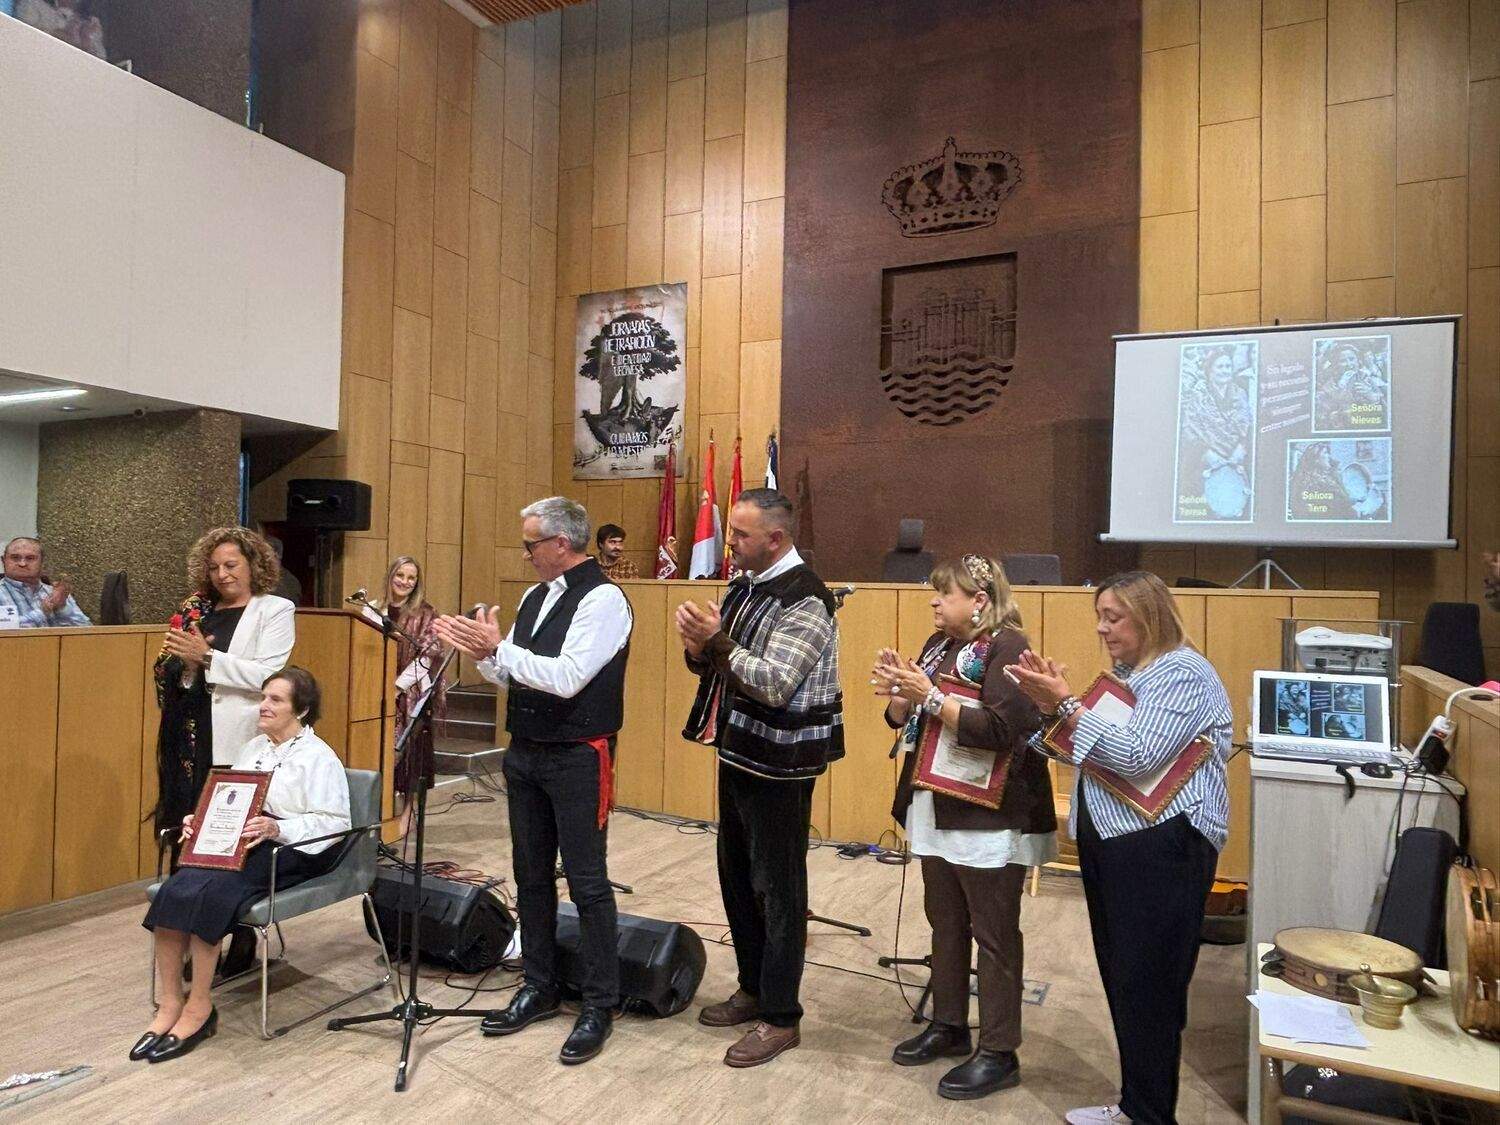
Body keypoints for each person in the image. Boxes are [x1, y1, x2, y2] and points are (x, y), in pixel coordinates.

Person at [1007, 571, 1232, 1125]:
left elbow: (1135, 755)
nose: (1103, 629)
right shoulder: (1134, 675)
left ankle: (1152, 1114)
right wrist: (1047, 707)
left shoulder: (1185, 673)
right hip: (1117, 844)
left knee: (1150, 982)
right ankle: (1137, 1106)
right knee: (1126, 976)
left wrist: (1069, 707)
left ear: (1150, 616)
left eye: (1114, 617)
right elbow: (1069, 749)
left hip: (1163, 848)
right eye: (1099, 617)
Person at [434, 497, 632, 1066]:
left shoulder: (604, 599)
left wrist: (501, 649)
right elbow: (513, 674)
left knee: (588, 883)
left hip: (576, 754)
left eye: (531, 544)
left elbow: (568, 679)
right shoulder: (534, 597)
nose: (526, 554)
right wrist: (483, 654)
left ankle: (599, 1002)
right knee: (530, 873)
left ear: (563, 544)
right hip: (525, 753)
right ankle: (539, 985)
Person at [873, 555, 1055, 1100]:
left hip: (989, 811)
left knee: (993, 933)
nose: (933, 601)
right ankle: (949, 1025)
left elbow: (1001, 729)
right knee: (944, 921)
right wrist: (901, 696)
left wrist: (929, 695)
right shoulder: (936, 645)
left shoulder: (1008, 647)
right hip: (937, 802)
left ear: (980, 600)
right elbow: (902, 718)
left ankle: (1000, 1050)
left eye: (944, 594)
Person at [676, 488, 844, 1068]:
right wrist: (698, 647)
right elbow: (725, 667)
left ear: (776, 539)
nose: (732, 543)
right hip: (740, 751)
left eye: (742, 535)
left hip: (782, 763)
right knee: (738, 877)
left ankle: (781, 1015)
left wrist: (715, 641)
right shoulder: (747, 584)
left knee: (778, 888)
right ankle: (753, 986)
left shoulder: (808, 600)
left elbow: (774, 681)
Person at [134, 667, 350, 1063]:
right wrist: (200, 819)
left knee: (213, 894)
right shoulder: (254, 748)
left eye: (275, 700)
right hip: (244, 841)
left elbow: (336, 824)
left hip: (294, 848)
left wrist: (277, 827)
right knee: (176, 889)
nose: (263, 706)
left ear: (300, 710)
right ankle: (169, 1003)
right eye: (263, 697)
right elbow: (231, 800)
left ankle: (200, 1007)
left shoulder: (319, 757)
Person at [367, 556, 444, 836]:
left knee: (411, 758)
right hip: (373, 689)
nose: (405, 582)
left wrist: (398, 685)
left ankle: (408, 813)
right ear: (391, 576)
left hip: (410, 692)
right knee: (380, 753)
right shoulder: (373, 610)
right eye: (400, 575)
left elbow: (429, 655)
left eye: (411, 578)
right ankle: (381, 810)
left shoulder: (426, 614)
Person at [1179, 349, 1252, 518]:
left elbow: (1248, 427)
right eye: (1220, 366)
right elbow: (1189, 428)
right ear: (1209, 371)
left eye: (1228, 366)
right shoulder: (1198, 395)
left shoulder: (1240, 394)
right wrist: (1207, 454)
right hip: (1203, 462)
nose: (1225, 370)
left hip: (1237, 461)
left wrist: (1241, 448)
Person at [0, 536, 92, 627]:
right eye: (15, 558)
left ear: (42, 563)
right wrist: (42, 612)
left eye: (30, 558)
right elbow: (6, 630)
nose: (22, 563)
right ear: (3, 561)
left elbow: (88, 632)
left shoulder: (54, 593)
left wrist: (62, 608)